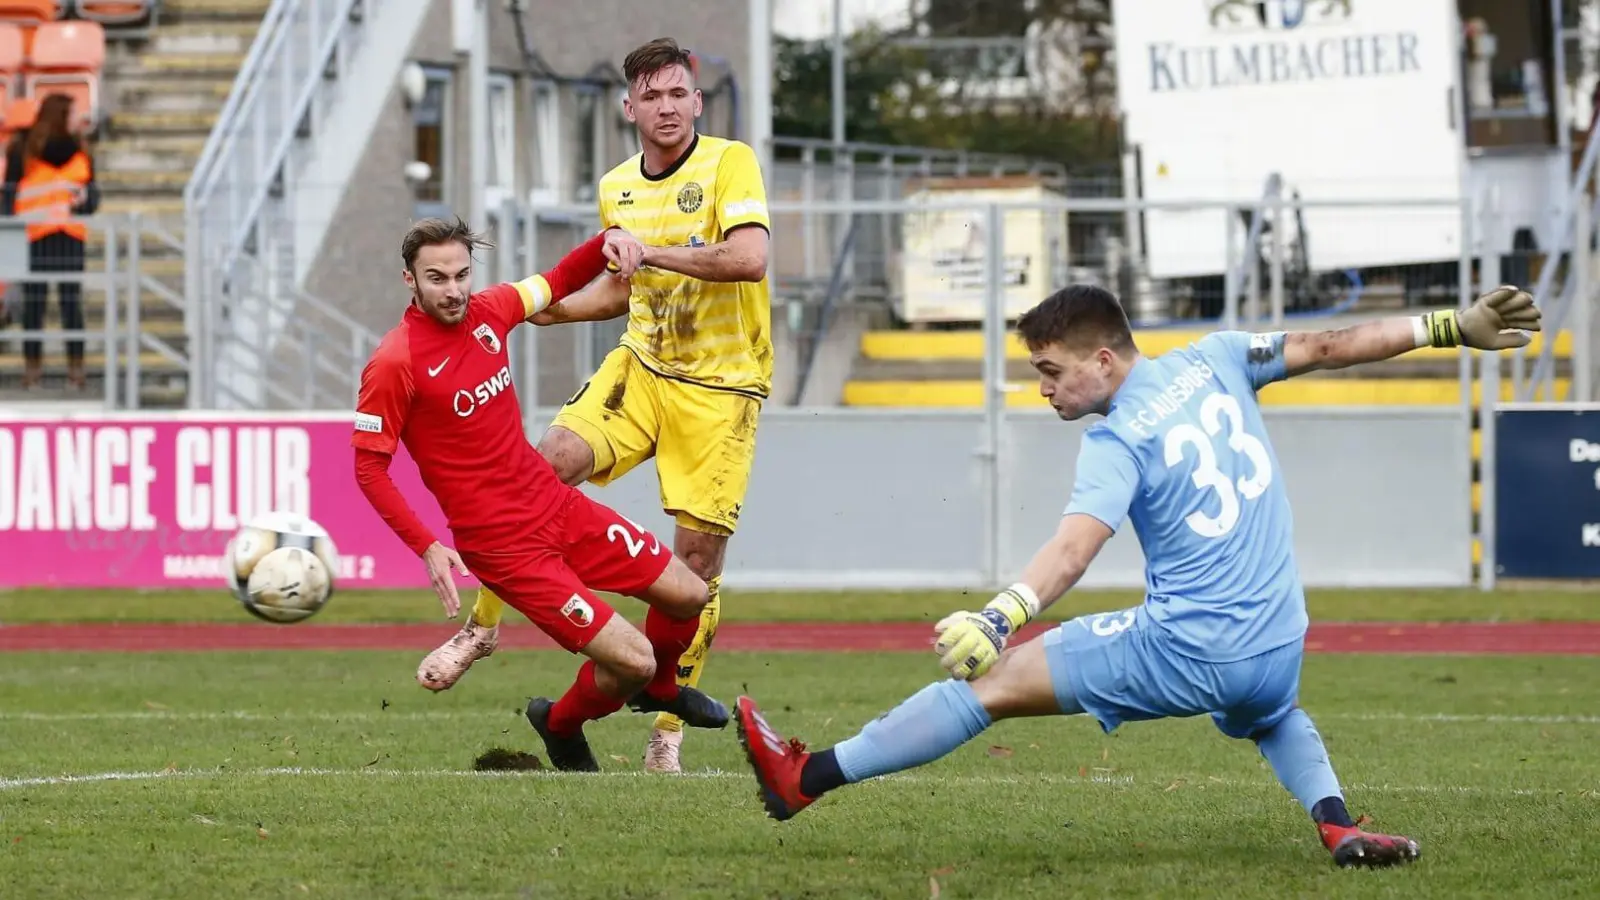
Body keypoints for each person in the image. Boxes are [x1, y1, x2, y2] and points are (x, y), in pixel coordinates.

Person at [735, 283, 1542, 868]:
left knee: (990, 683)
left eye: (1052, 371)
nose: (1044, 389)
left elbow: (1073, 550)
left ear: (1103, 358)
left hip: (1190, 647)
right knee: (1270, 714)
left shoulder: (1117, 438)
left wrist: (998, 615)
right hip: (1280, 642)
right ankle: (1338, 825)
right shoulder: (1219, 357)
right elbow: (1330, 347)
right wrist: (1449, 325)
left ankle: (803, 778)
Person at [416, 37, 774, 775]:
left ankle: (665, 728)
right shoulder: (618, 186)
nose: (667, 108)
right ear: (629, 108)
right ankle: (484, 628)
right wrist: (552, 310)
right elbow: (619, 288)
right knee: (545, 465)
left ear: (696, 102)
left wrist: (653, 251)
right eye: (652, 96)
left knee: (696, 567)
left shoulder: (729, 162)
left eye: (678, 94)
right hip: (640, 367)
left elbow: (748, 259)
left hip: (723, 386)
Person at [352, 216, 731, 771]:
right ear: (410, 279)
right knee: (634, 660)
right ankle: (561, 724)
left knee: (690, 595)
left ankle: (661, 691)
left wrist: (608, 240)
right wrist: (427, 545)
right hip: (505, 549)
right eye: (437, 278)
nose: (453, 290)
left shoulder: (492, 310)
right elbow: (368, 469)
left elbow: (558, 280)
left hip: (555, 505)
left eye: (461, 275)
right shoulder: (395, 362)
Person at [2, 93, 98, 390]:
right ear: (60, 116)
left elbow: (93, 196)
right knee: (34, 305)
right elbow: (8, 196)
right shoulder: (23, 149)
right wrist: (9, 234)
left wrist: (84, 201)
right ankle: (32, 370)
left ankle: (76, 370)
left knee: (71, 305)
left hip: (69, 236)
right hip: (33, 236)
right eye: (73, 113)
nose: (79, 118)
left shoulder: (82, 151)